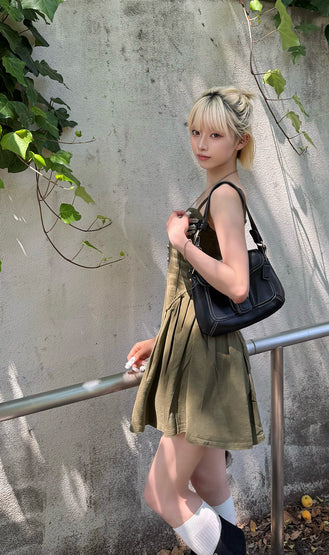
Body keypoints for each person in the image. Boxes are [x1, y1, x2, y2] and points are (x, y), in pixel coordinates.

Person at [127, 86, 265, 555]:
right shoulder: (214, 192)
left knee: (162, 493)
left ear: (240, 141)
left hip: (204, 362)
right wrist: (161, 339)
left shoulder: (224, 196)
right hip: (197, 348)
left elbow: (237, 285)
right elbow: (198, 293)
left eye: (215, 135)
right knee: (207, 481)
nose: (202, 144)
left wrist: (181, 243)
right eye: (195, 132)